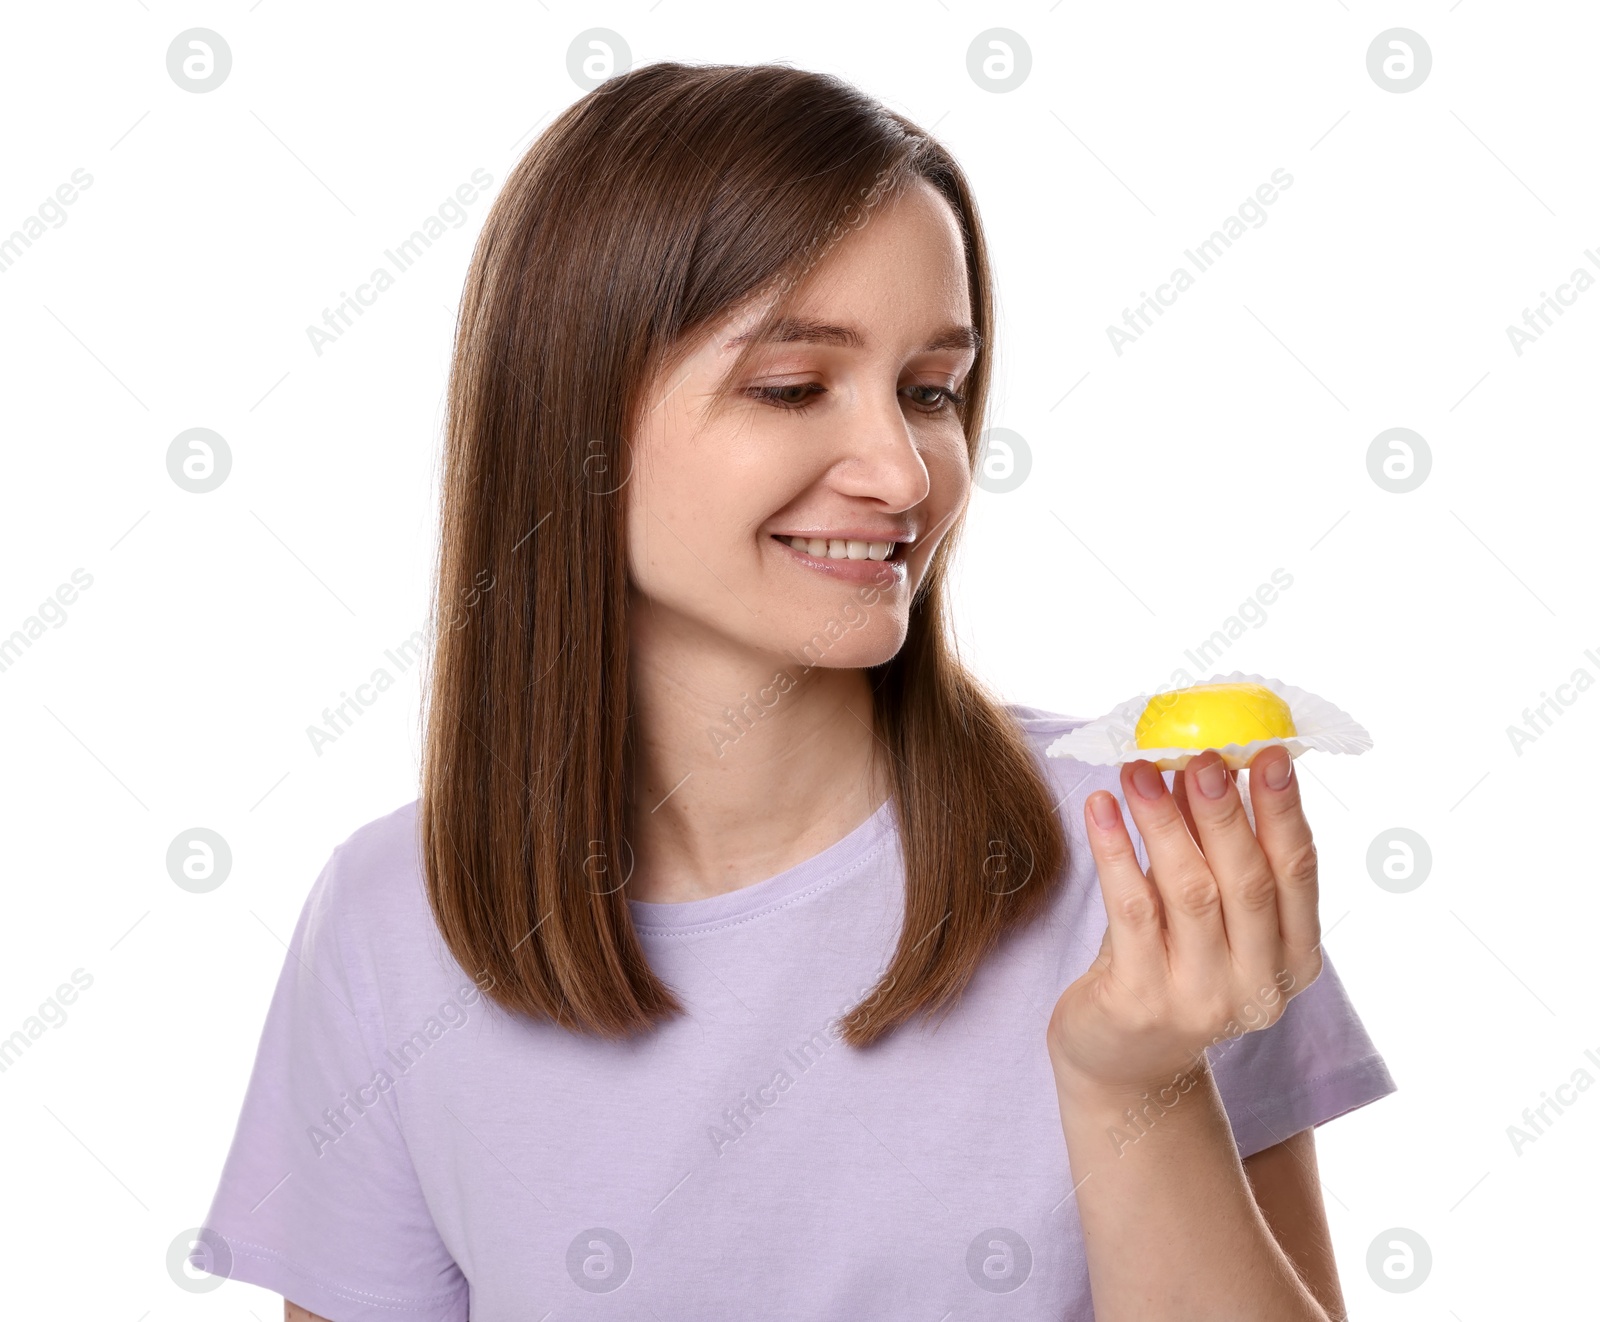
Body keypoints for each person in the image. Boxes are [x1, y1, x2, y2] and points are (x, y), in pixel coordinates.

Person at [190, 61, 1396, 1321]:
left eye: (930, 390)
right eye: (791, 386)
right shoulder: (394, 924)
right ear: (572, 420)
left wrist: (1128, 1081)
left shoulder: (1147, 858)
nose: (901, 469)